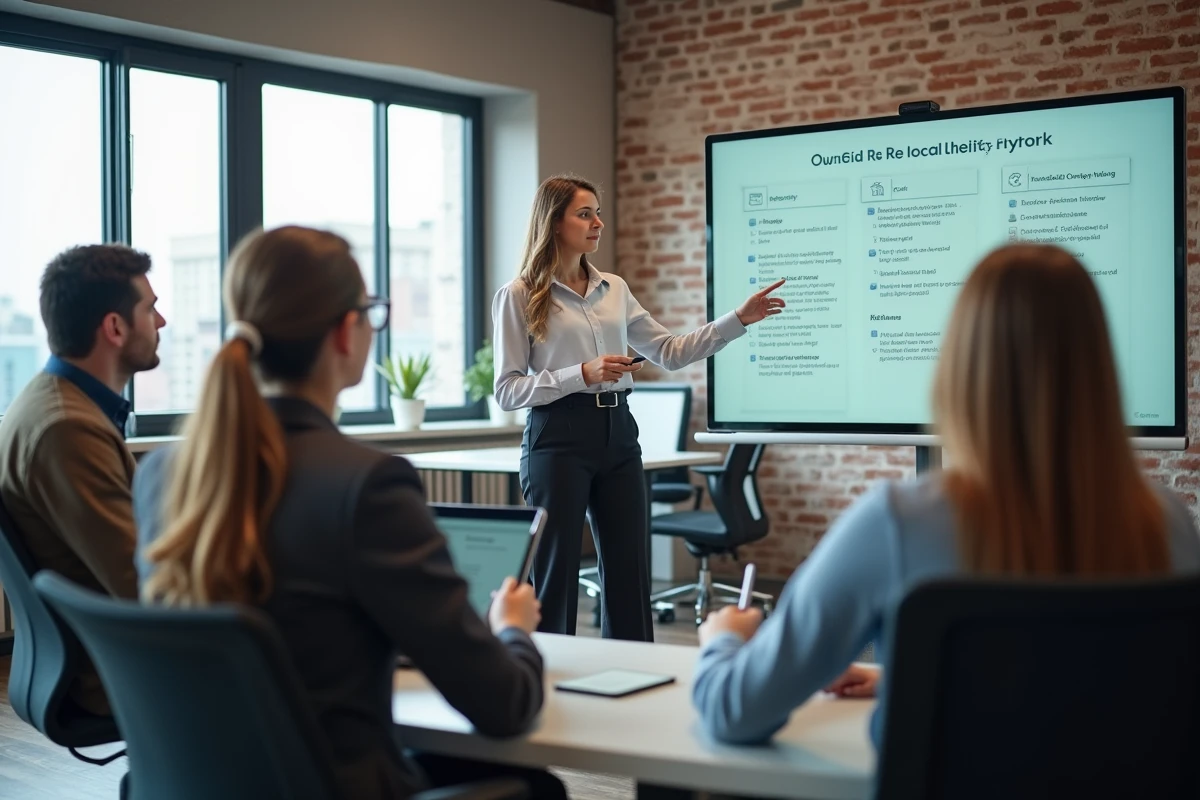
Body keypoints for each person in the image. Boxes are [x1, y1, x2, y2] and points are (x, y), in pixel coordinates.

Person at [691, 243, 1200, 746]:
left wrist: (724, 638)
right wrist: (908, 679)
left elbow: (733, 711)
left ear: (961, 365)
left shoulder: (896, 524)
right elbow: (1095, 694)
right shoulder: (1167, 522)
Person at [133, 226, 565, 800]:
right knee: (535, 788)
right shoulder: (367, 485)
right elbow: (505, 704)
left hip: (203, 785)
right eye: (370, 312)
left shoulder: (160, 476)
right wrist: (512, 628)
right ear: (345, 331)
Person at [492, 175, 786, 641]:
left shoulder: (614, 288)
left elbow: (669, 351)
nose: (598, 224)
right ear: (554, 222)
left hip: (619, 433)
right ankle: (545, 679)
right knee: (555, 576)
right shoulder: (519, 294)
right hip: (556, 437)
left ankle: (634, 676)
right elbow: (507, 390)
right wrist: (581, 374)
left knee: (630, 572)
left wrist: (737, 321)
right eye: (584, 214)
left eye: (597, 212)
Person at [0, 243, 165, 716]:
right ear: (114, 327)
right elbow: (143, 585)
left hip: (93, 654)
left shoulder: (48, 402)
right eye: (149, 309)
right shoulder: (67, 429)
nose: (160, 323)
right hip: (112, 669)